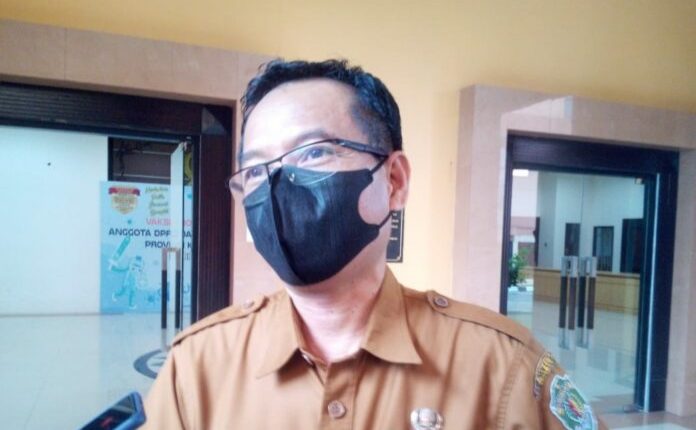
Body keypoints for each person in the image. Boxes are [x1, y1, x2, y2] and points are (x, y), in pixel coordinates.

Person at [144, 59, 605, 429]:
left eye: (314, 152)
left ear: (395, 181)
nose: (277, 185)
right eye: (255, 169)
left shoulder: (503, 369)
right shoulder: (196, 368)